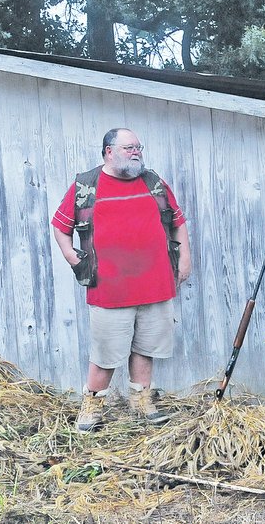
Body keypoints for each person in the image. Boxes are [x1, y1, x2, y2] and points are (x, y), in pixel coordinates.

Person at [52, 128, 192, 432]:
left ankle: (141, 401)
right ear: (109, 151)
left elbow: (178, 222)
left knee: (146, 347)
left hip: (156, 284)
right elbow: (61, 227)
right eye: (129, 147)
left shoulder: (153, 182)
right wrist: (72, 257)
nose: (136, 152)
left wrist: (185, 259)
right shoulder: (86, 185)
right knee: (105, 352)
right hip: (108, 288)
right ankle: (92, 406)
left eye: (138, 147)